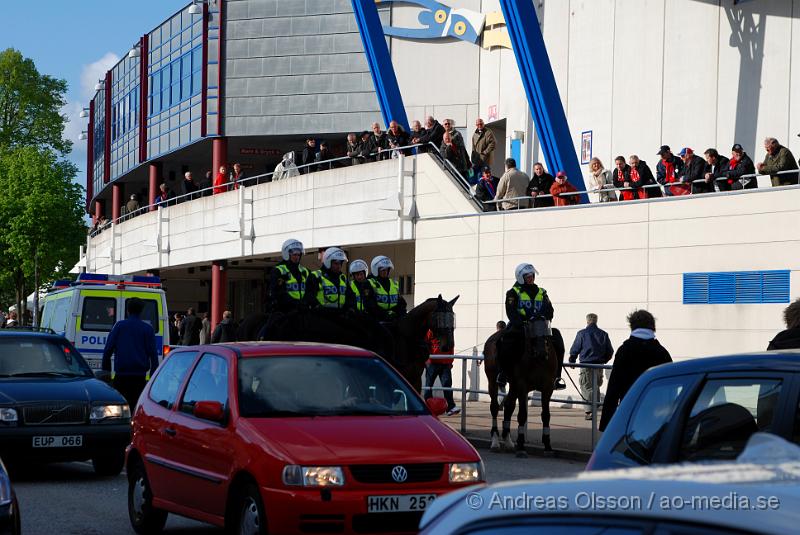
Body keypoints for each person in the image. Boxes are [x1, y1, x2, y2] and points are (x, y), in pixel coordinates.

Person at [599, 309, 672, 432]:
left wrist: (606, 424)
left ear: (632, 325)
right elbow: (670, 389)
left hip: (630, 411)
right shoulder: (662, 352)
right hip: (656, 415)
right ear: (653, 327)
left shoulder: (624, 351)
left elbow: (614, 388)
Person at [500, 263, 560, 389]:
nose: (531, 278)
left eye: (532, 275)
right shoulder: (513, 292)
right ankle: (503, 374)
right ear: (521, 277)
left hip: (540, 326)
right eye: (528, 276)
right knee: (505, 341)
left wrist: (543, 317)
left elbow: (550, 310)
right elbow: (511, 311)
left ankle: (557, 377)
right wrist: (522, 322)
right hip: (521, 325)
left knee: (558, 338)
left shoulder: (542, 292)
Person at [100, 297, 159, 408]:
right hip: (140, 379)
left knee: (119, 409)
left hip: (121, 378)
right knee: (136, 407)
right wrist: (152, 377)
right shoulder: (147, 329)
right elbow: (153, 355)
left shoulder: (119, 326)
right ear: (141, 311)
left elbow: (107, 350)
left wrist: (106, 372)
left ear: (128, 310)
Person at [569, 313, 614, 420]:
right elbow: (610, 351)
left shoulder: (582, 334)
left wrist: (572, 360)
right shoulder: (603, 334)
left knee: (586, 386)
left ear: (587, 321)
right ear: (596, 321)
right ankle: (595, 407)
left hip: (586, 364)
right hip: (599, 365)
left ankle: (589, 412)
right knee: (596, 386)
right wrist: (604, 360)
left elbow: (575, 348)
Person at [269, 238, 310, 314]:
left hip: (303, 309)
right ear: (287, 254)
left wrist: (305, 302)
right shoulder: (278, 270)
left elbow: (310, 291)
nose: (297, 257)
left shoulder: (305, 271)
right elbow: (277, 293)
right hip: (283, 309)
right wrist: (295, 303)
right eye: (294, 254)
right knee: (271, 324)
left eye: (298, 254)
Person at [424, 328, 459, 416]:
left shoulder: (448, 332)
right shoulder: (430, 330)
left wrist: (451, 361)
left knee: (447, 385)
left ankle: (450, 407)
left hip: (445, 362)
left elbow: (451, 346)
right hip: (432, 362)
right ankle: (428, 407)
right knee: (429, 386)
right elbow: (425, 344)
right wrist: (427, 360)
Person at [367, 255, 407, 321]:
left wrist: (398, 314)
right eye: (382, 270)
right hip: (377, 320)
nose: (385, 272)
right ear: (376, 270)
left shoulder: (394, 284)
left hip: (394, 319)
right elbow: (370, 305)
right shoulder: (369, 283)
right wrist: (385, 314)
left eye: (387, 269)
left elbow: (402, 303)